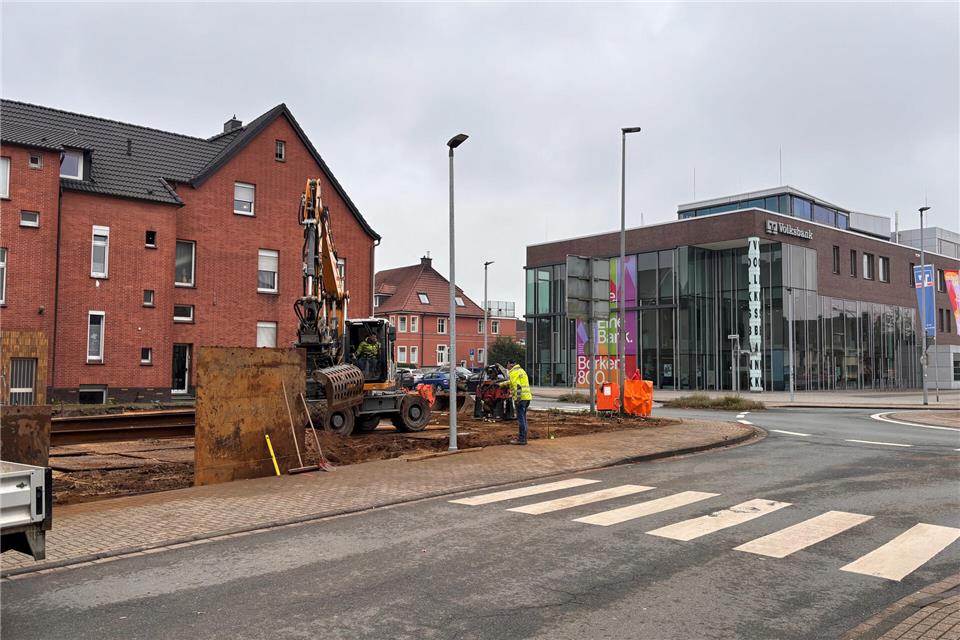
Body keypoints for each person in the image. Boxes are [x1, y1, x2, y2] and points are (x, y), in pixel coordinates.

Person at [499, 358, 532, 445]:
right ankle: (524, 438)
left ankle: (521, 440)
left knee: (521, 420)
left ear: (510, 364)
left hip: (520, 399)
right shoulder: (521, 370)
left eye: (507, 365)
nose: (506, 367)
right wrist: (502, 384)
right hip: (527, 397)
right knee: (524, 419)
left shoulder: (513, 373)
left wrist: (517, 399)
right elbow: (513, 383)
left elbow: (517, 386)